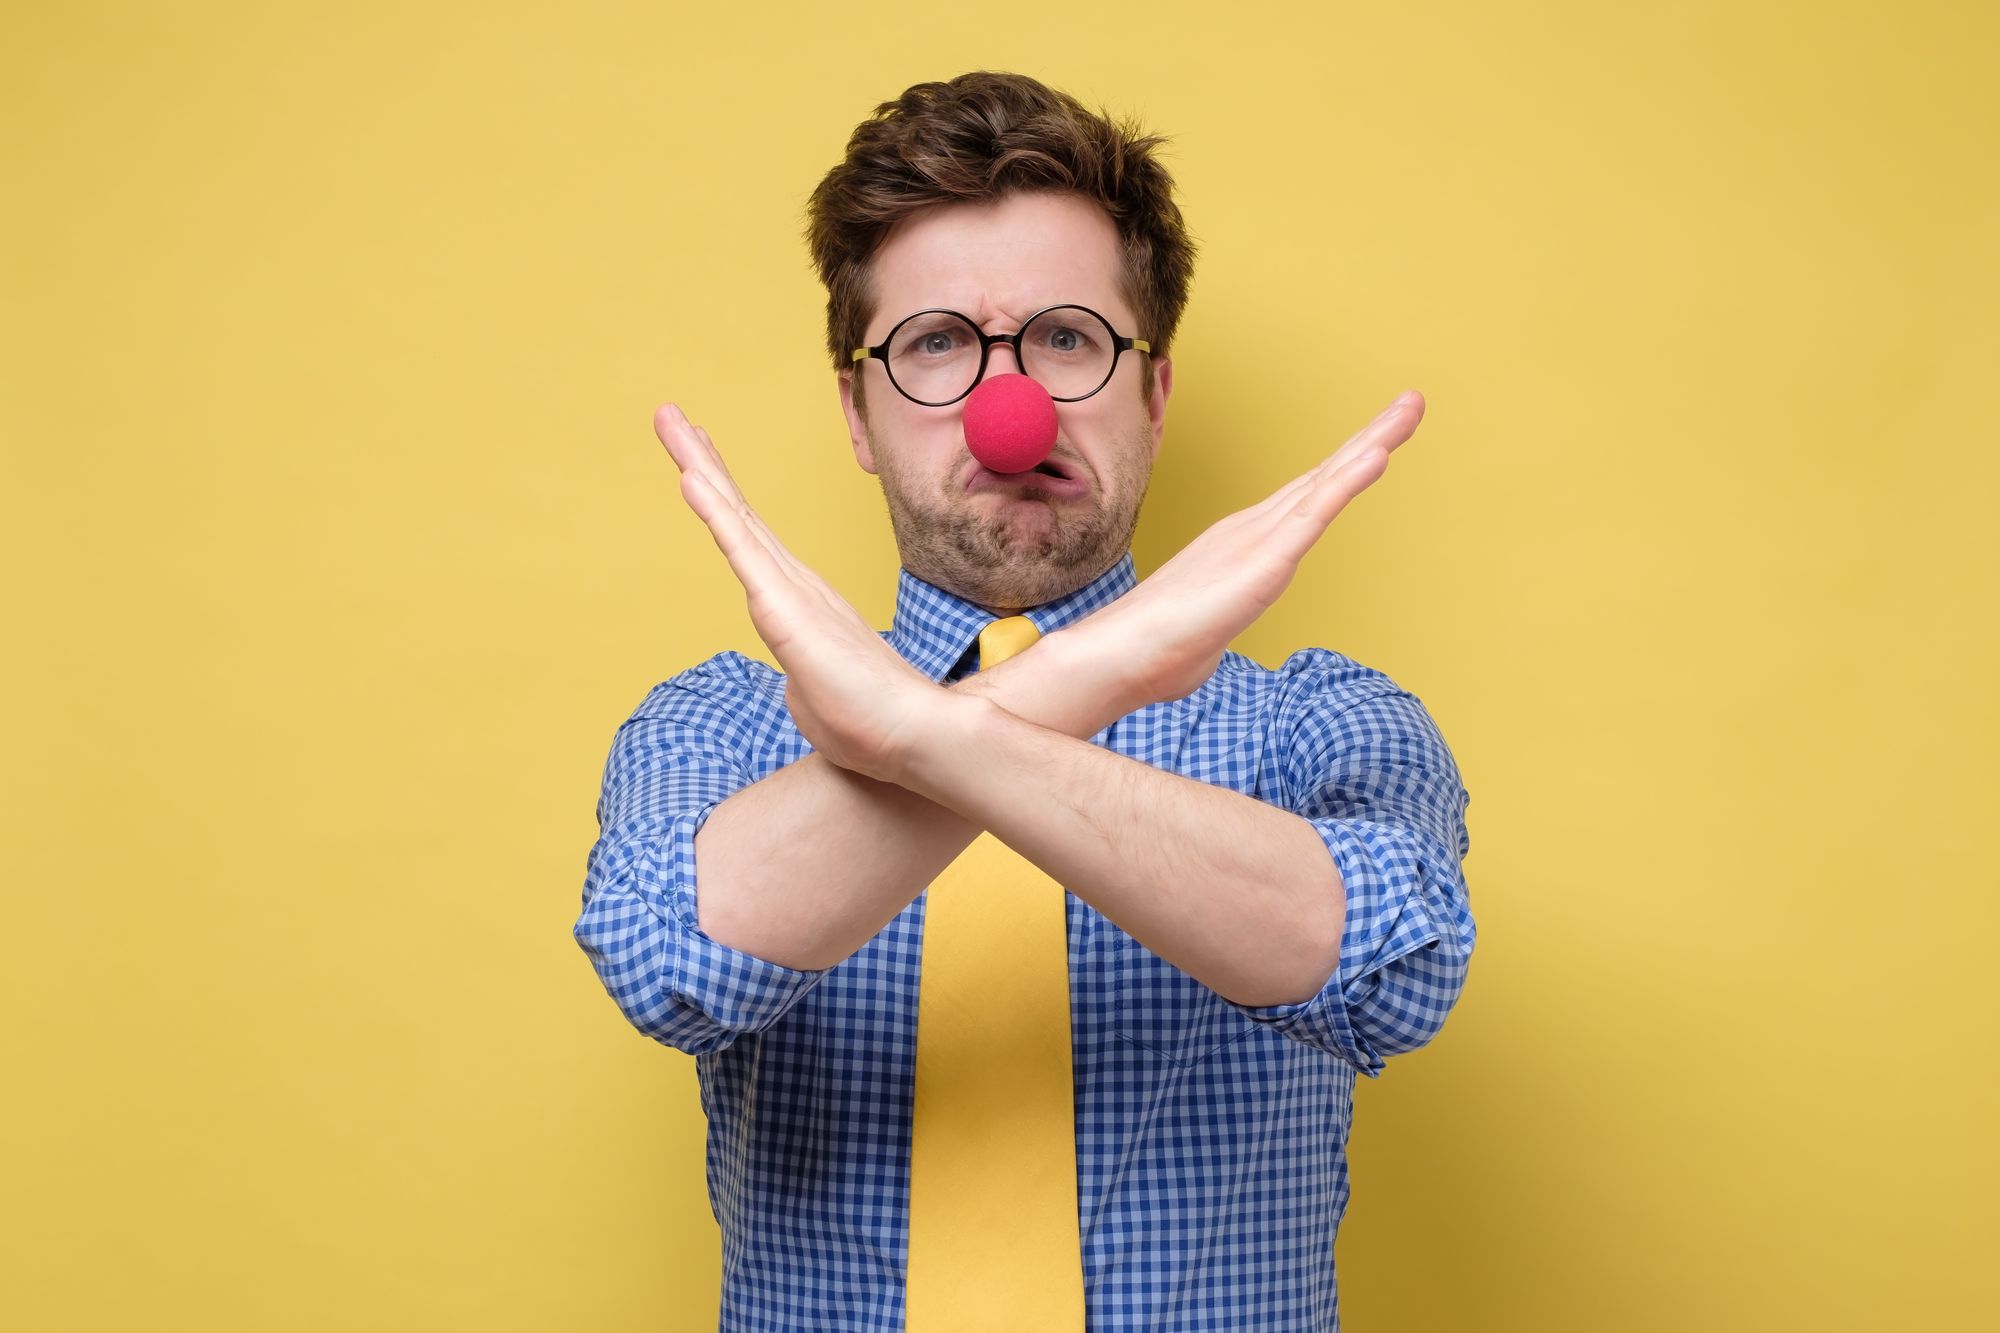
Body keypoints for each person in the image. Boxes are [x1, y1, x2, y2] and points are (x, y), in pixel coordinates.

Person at [574, 71, 1476, 1332]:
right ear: (857, 409)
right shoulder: (723, 724)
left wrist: (926, 734)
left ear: (1152, 395)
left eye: (1066, 336)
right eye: (937, 342)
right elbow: (673, 966)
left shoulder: (1315, 723)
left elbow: (1395, 974)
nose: (1017, 410)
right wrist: (1081, 680)